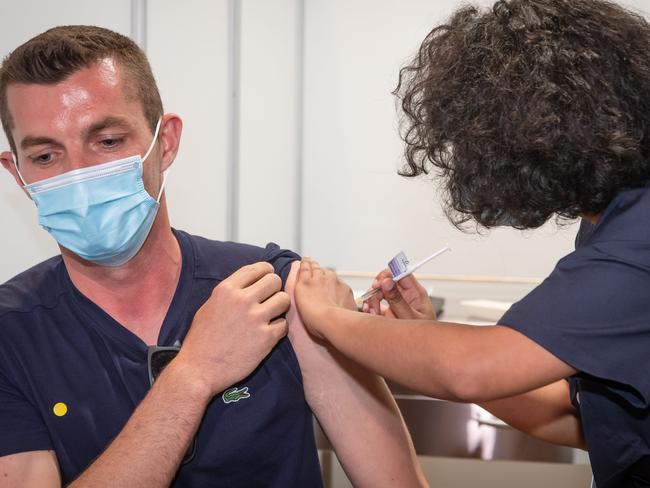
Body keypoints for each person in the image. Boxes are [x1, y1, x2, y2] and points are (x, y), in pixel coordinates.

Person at [0, 26, 426, 487]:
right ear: (18, 174)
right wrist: (194, 373)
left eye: (106, 142)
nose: (79, 177)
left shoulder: (273, 288)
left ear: (164, 143)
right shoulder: (11, 334)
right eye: (45, 156)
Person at [294, 1, 650, 487]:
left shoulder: (637, 240)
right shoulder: (612, 217)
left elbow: (471, 369)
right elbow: (581, 420)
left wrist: (327, 319)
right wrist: (425, 331)